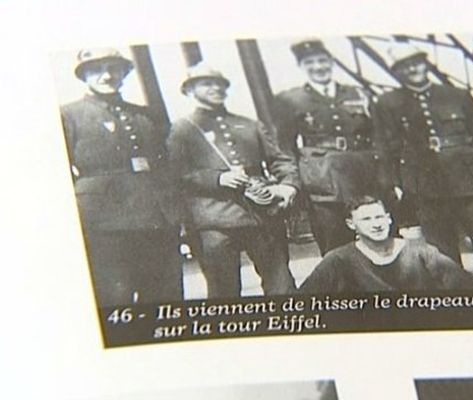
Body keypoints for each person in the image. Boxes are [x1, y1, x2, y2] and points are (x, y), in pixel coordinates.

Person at [371, 45, 473, 289]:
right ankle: (460, 305)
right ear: (397, 72)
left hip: (470, 182)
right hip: (427, 186)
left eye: (416, 62)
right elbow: (385, 147)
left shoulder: (456, 95)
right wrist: (394, 183)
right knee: (444, 253)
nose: (413, 69)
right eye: (405, 66)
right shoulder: (387, 104)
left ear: (426, 64)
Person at [60, 48, 182, 307]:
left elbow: (167, 165)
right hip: (104, 225)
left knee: (165, 301)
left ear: (124, 73)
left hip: (155, 221)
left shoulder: (145, 115)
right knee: (115, 301)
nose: (107, 76)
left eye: (114, 69)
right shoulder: (68, 115)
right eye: (97, 70)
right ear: (83, 76)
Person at [167, 63, 300, 298]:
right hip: (215, 220)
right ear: (189, 91)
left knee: (282, 286)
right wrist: (217, 178)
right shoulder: (181, 129)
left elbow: (280, 159)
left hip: (261, 214)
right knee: (224, 293)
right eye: (206, 84)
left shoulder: (249, 124)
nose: (216, 88)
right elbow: (175, 173)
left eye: (219, 84)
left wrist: (287, 185)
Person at [273, 39, 383, 254]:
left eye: (323, 60)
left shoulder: (358, 94)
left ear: (331, 62)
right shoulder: (289, 100)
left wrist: (385, 177)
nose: (318, 67)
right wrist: (295, 183)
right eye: (310, 62)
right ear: (301, 67)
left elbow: (378, 136)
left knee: (377, 239)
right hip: (323, 185)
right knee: (335, 246)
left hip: (364, 179)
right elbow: (285, 146)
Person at [299, 196, 473, 293]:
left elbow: (466, 285)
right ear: (351, 224)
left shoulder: (420, 253)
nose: (376, 224)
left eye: (379, 217)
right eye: (366, 219)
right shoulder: (338, 260)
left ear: (389, 219)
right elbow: (305, 299)